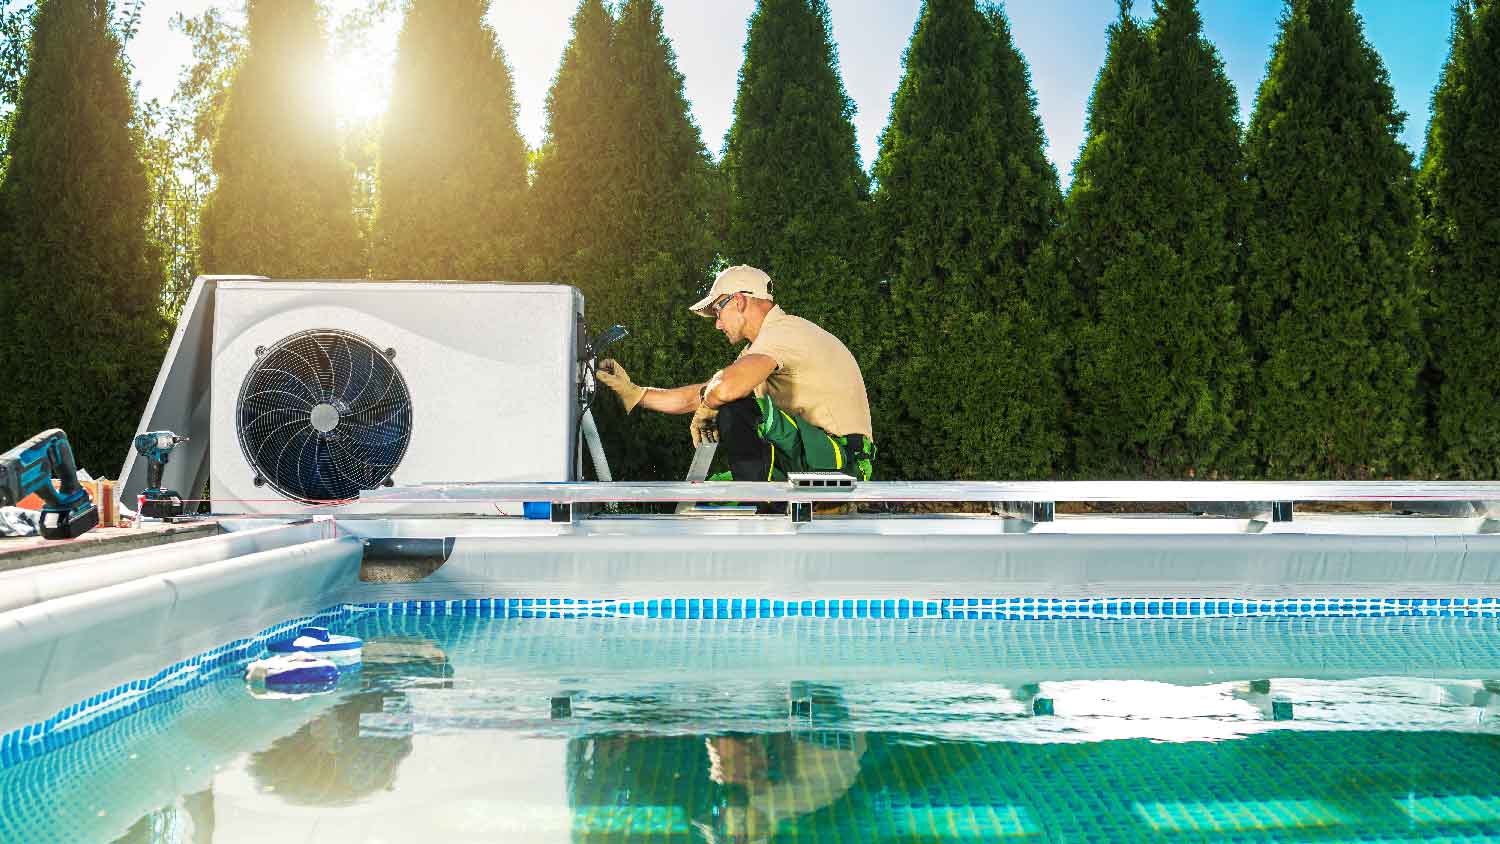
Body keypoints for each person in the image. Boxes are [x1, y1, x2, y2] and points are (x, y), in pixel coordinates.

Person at [594, 265, 875, 482]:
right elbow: (704, 393)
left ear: (739, 300)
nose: (717, 324)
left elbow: (725, 390)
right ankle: (756, 498)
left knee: (736, 406)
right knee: (712, 497)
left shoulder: (785, 332)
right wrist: (634, 392)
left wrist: (712, 403)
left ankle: (760, 499)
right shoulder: (762, 349)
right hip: (813, 459)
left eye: (718, 311)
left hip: (844, 462)